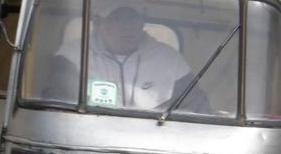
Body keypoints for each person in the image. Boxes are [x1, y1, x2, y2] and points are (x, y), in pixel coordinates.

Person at [53, 6, 197, 111]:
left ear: (142, 24)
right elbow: (56, 108)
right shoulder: (72, 55)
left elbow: (196, 107)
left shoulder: (170, 59)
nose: (127, 27)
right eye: (117, 19)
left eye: (133, 19)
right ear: (98, 23)